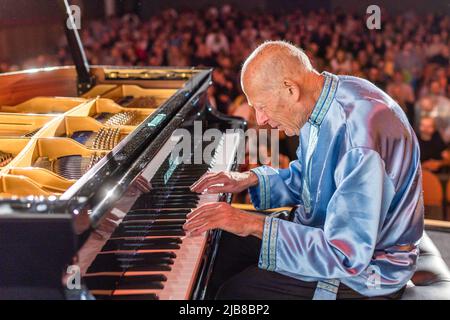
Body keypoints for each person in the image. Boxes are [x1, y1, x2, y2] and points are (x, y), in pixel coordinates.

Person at [184, 41, 424, 300]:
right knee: (219, 248)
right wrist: (249, 179)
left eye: (261, 106)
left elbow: (345, 254)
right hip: (327, 233)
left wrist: (250, 222)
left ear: (290, 89)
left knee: (235, 293)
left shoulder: (359, 139)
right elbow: (312, 179)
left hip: (370, 269)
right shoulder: (322, 100)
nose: (260, 119)